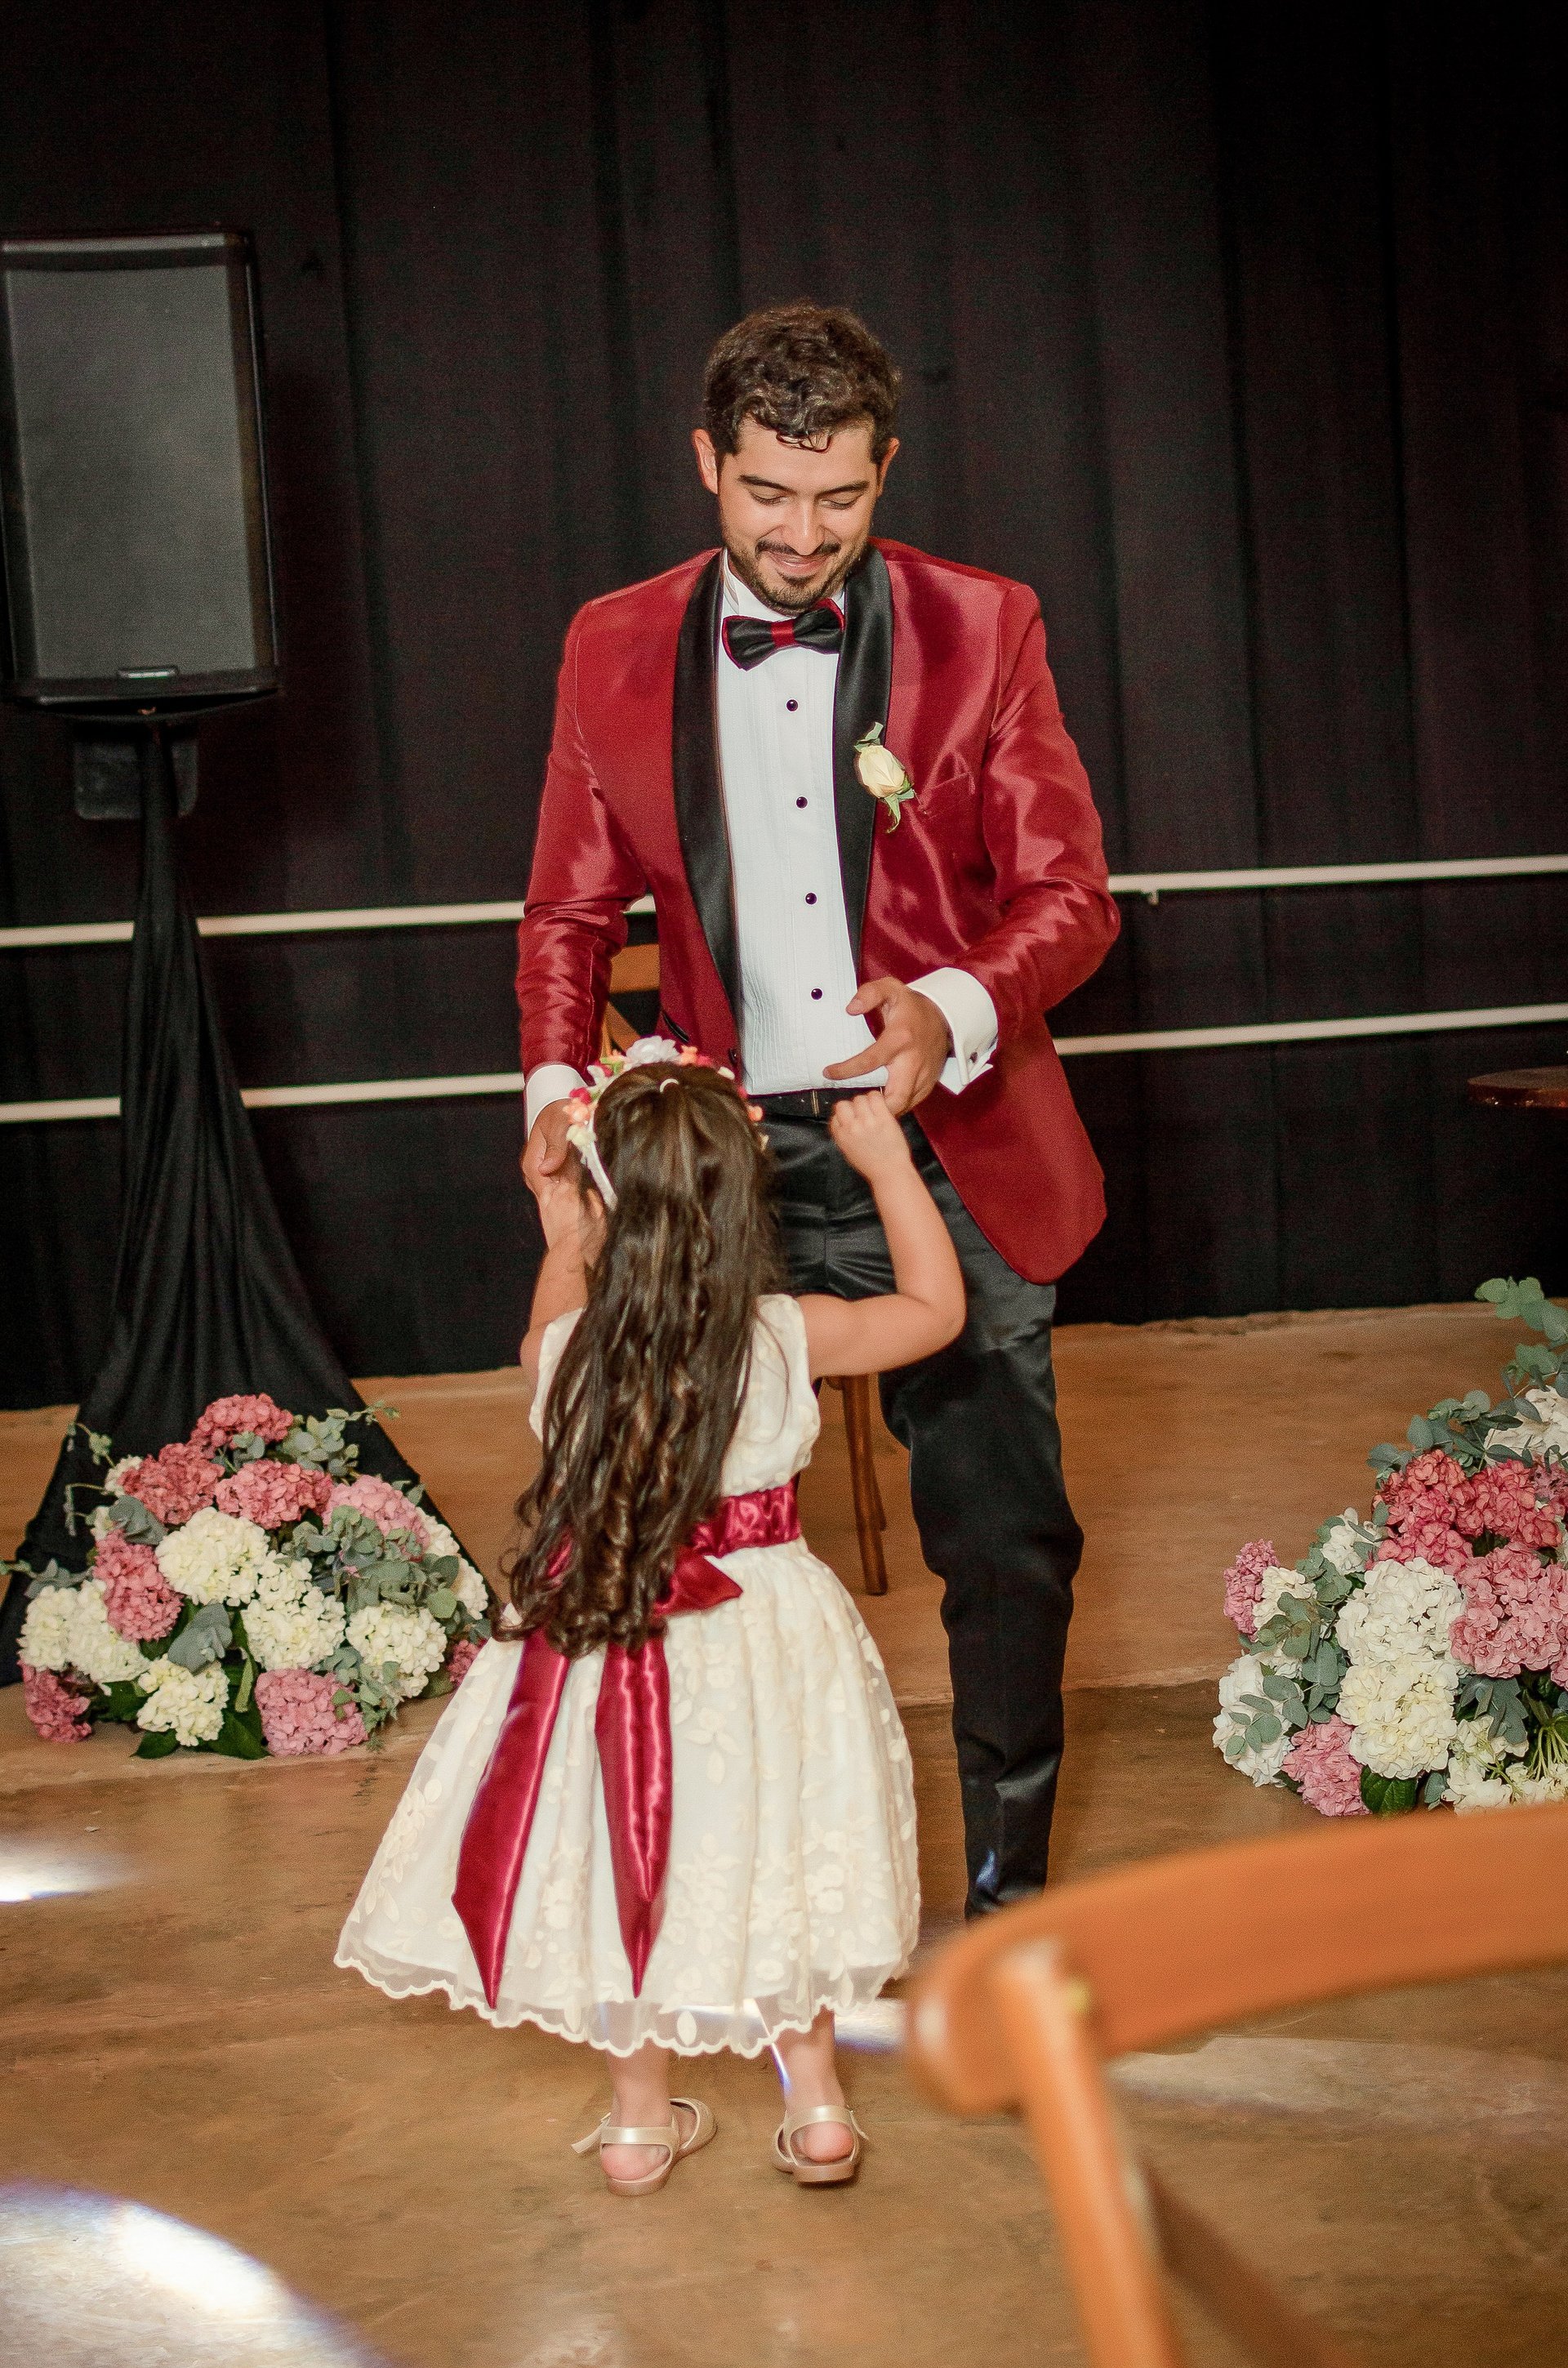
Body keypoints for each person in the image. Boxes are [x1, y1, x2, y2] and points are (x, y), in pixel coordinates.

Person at [517, 302, 1119, 1913]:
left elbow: (1072, 897)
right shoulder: (610, 642)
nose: (801, 536)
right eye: (769, 494)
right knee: (666, 1533)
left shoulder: (984, 625)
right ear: (707, 463)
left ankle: (1006, 1896)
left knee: (1006, 1543)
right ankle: (716, 1891)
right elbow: (567, 913)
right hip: (725, 1166)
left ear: (885, 470)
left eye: (839, 497)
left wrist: (954, 1006)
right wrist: (560, 1089)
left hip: (947, 1143)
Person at [336, 1050, 964, 2195]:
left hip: (613, 1625)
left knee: (625, 1849)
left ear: (602, 1201)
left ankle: (638, 2122)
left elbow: (548, 1326)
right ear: (747, 1198)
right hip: (770, 1634)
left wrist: (561, 1231)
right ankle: (818, 2108)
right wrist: (886, 1165)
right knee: (775, 1844)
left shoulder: (567, 1353)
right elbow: (934, 1310)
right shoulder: (786, 1332)